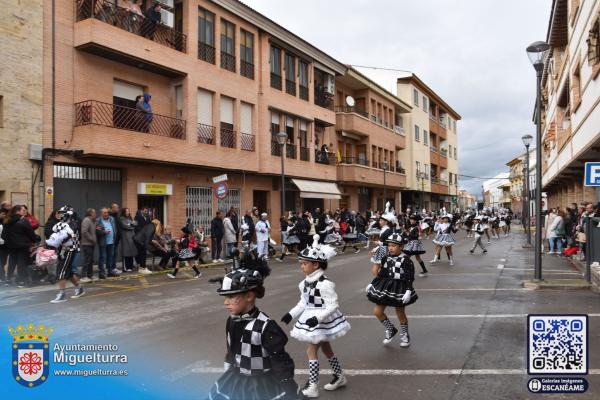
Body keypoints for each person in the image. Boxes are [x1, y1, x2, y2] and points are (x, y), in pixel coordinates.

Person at [209, 267, 300, 400]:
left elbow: (280, 360)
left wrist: (289, 387)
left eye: (230, 296)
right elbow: (231, 350)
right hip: (236, 378)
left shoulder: (266, 326)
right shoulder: (232, 320)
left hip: (261, 383)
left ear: (249, 296)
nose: (225, 302)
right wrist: (228, 366)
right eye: (225, 297)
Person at [281, 234, 350, 398]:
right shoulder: (303, 283)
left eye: (305, 264)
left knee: (311, 351)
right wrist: (291, 314)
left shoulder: (325, 284)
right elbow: (303, 303)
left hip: (322, 320)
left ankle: (313, 385)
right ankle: (339, 376)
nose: (302, 267)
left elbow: (333, 304)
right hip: (312, 319)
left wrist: (317, 319)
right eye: (301, 263)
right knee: (326, 348)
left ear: (316, 264)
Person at [366, 233, 417, 347]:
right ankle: (391, 329)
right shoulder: (386, 258)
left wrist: (408, 290)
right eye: (389, 245)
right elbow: (382, 274)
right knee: (377, 312)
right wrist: (372, 283)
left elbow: (410, 276)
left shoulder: (406, 260)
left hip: (400, 287)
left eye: (394, 246)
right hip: (385, 286)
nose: (391, 248)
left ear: (401, 247)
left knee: (400, 312)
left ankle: (405, 334)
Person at [49, 206, 85, 303]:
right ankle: (79, 288)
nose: (60, 214)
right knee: (68, 273)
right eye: (59, 212)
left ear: (67, 214)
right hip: (62, 250)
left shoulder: (72, 224)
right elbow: (53, 233)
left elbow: (66, 236)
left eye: (62, 212)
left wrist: (56, 240)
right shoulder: (62, 224)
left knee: (61, 271)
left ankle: (62, 294)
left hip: (69, 250)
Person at [5, 205, 39, 287]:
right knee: (22, 263)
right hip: (23, 245)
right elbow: (30, 232)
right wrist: (35, 240)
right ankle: (21, 281)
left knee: (12, 262)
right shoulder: (24, 220)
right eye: (23, 210)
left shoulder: (8, 220)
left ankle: (8, 279)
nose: (25, 212)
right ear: (18, 211)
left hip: (12, 245)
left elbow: (4, 234)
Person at [97, 207, 120, 278]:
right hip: (103, 242)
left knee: (110, 257)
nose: (107, 214)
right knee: (102, 257)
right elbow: (97, 231)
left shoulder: (111, 219)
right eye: (105, 213)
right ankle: (101, 273)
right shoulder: (98, 220)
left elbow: (114, 228)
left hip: (111, 241)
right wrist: (104, 232)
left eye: (107, 212)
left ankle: (110, 271)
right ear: (101, 213)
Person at [79, 208, 97, 283]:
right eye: (94, 213)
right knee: (87, 260)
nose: (95, 214)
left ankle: (90, 275)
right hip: (87, 244)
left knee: (90, 260)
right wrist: (92, 239)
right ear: (90, 213)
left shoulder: (92, 221)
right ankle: (83, 276)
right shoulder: (86, 220)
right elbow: (84, 231)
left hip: (91, 244)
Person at [119, 208, 138, 272]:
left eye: (128, 211)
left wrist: (131, 225)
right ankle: (126, 267)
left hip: (131, 237)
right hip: (125, 237)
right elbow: (125, 226)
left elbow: (135, 224)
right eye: (126, 211)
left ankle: (131, 266)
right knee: (126, 252)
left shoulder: (130, 218)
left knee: (131, 252)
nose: (128, 212)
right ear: (124, 212)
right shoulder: (121, 218)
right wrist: (131, 225)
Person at [110, 203, 121, 272]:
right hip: (112, 239)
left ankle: (114, 267)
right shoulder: (111, 216)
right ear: (112, 208)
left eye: (118, 207)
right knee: (112, 254)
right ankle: (111, 268)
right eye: (116, 207)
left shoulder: (116, 216)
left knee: (115, 254)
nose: (118, 209)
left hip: (117, 239)